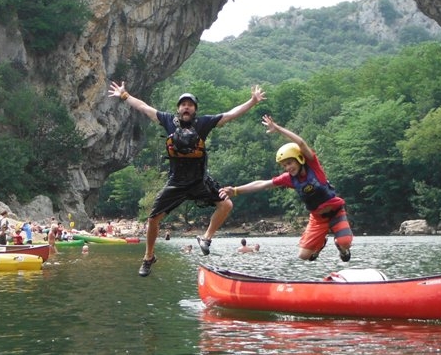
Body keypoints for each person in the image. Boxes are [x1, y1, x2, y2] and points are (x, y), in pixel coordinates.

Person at [108, 81, 266, 276]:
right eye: (183, 104)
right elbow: (144, 108)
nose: (186, 107)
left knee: (226, 205)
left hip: (199, 181)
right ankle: (149, 257)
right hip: (176, 182)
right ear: (178, 109)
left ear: (194, 110)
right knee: (152, 220)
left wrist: (252, 101)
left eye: (190, 104)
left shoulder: (203, 124)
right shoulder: (168, 121)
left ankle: (206, 238)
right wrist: (125, 95)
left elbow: (230, 115)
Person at [220, 115, 353, 262]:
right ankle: (320, 244)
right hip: (317, 218)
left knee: (344, 241)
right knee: (304, 256)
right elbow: (263, 184)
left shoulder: (313, 166)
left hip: (336, 212)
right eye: (284, 165)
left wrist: (277, 129)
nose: (288, 167)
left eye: (290, 163)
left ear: (300, 159)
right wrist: (237, 190)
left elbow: (301, 143)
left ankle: (341, 248)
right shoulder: (289, 179)